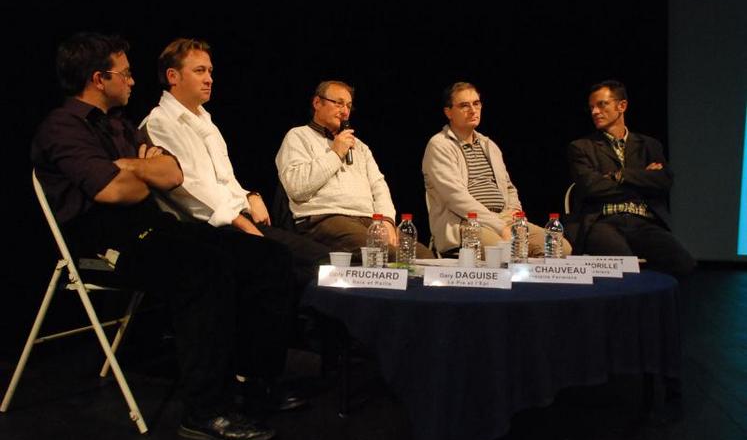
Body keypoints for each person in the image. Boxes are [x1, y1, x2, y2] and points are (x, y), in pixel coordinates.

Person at [30, 32, 298, 440]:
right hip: (103, 247)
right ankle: (205, 409)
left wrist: (129, 167)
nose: (133, 81)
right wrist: (139, 169)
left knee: (267, 257)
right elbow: (113, 192)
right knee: (205, 268)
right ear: (99, 79)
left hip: (151, 230)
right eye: (125, 74)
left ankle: (257, 383)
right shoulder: (62, 128)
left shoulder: (118, 124)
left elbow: (172, 174)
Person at [141, 38, 329, 288]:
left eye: (210, 71)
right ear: (173, 76)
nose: (209, 79)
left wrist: (248, 195)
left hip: (234, 218)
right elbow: (187, 189)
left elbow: (224, 180)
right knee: (286, 264)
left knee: (321, 259)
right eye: (199, 71)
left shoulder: (205, 122)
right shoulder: (159, 123)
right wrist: (238, 220)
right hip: (202, 228)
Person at [275, 80, 432, 261]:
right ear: (317, 103)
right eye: (339, 103)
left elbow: (379, 186)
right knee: (391, 255)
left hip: (369, 221)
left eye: (349, 106)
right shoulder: (298, 136)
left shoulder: (360, 146)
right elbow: (298, 188)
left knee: (424, 257)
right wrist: (335, 154)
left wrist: (387, 221)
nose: (345, 111)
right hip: (326, 219)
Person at [422, 82, 572, 257]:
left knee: (560, 248)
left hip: (503, 219)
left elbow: (508, 187)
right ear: (448, 112)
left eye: (476, 103)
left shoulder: (489, 145)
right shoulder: (439, 145)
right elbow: (455, 198)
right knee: (504, 250)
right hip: (466, 224)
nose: (473, 110)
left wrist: (514, 214)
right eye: (464, 105)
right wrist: (499, 226)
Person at [566, 80, 695, 276]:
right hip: (602, 220)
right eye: (592, 107)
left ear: (622, 106)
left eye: (602, 104)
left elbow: (664, 182)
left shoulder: (649, 145)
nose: (595, 112)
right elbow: (591, 187)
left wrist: (619, 176)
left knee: (684, 263)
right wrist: (643, 179)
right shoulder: (581, 147)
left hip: (642, 221)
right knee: (624, 268)